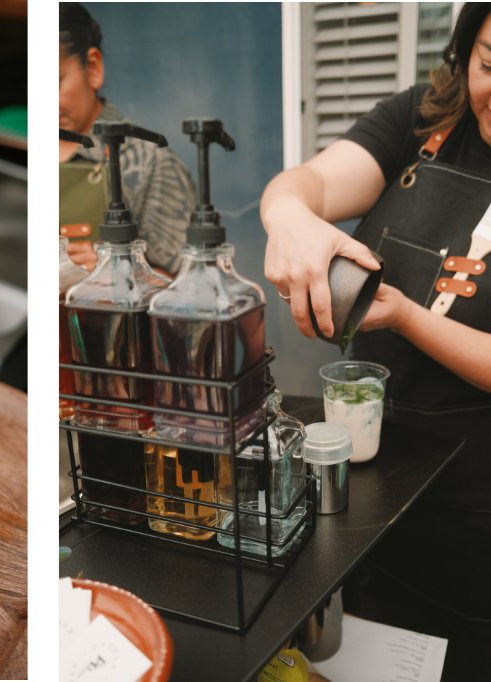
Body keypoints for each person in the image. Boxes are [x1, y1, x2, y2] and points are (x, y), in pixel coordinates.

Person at [260, 3, 491, 677]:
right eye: (489, 65)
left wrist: (407, 317)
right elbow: (308, 182)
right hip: (372, 489)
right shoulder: (425, 117)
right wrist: (289, 217)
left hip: (477, 515)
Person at [57, 1, 196, 274]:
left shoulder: (149, 163)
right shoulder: (10, 142)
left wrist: (114, 272)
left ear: (93, 68)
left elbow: (192, 287)